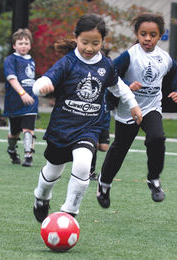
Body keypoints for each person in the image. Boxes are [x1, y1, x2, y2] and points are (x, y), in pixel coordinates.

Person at [32, 13, 142, 222]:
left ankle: (69, 211)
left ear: (103, 41)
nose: (90, 48)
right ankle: (41, 196)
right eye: (85, 42)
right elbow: (44, 79)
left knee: (83, 164)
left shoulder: (106, 65)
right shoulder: (68, 63)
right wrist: (41, 87)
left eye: (95, 43)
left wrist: (134, 105)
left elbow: (119, 87)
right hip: (62, 128)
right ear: (76, 38)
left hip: (88, 129)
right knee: (53, 171)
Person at [97, 12, 177, 208]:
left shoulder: (165, 59)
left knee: (157, 138)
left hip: (151, 108)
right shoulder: (130, 56)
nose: (147, 38)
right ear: (137, 34)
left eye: (153, 34)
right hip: (128, 108)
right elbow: (110, 76)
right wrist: (127, 85)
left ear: (160, 35)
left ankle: (153, 180)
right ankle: (104, 184)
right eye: (143, 34)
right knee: (120, 149)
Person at [3, 28, 38, 167]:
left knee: (28, 129)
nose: (23, 46)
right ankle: (12, 149)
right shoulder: (10, 59)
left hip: (31, 102)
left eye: (26, 43)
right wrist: (22, 94)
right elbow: (12, 79)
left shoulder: (32, 61)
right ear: (14, 45)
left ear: (30, 45)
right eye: (20, 43)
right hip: (15, 102)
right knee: (14, 133)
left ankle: (28, 156)